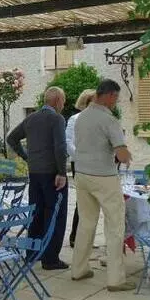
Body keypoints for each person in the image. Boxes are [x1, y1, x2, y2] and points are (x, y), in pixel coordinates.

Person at [71, 79, 136, 291]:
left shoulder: (81, 118)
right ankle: (115, 279)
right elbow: (121, 153)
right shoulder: (108, 120)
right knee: (115, 226)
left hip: (81, 174)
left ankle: (78, 270)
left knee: (86, 223)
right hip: (104, 177)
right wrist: (127, 156)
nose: (116, 103)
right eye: (116, 98)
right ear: (109, 96)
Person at [7, 86, 69, 270]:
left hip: (34, 173)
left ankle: (32, 254)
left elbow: (12, 138)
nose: (63, 105)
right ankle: (51, 259)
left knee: (36, 213)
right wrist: (62, 173)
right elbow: (60, 147)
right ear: (57, 101)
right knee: (55, 215)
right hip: (52, 174)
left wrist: (27, 156)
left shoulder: (31, 118)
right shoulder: (57, 119)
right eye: (63, 101)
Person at [65, 89, 96, 248]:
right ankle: (75, 237)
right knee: (83, 201)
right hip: (80, 163)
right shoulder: (74, 119)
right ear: (85, 103)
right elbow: (68, 142)